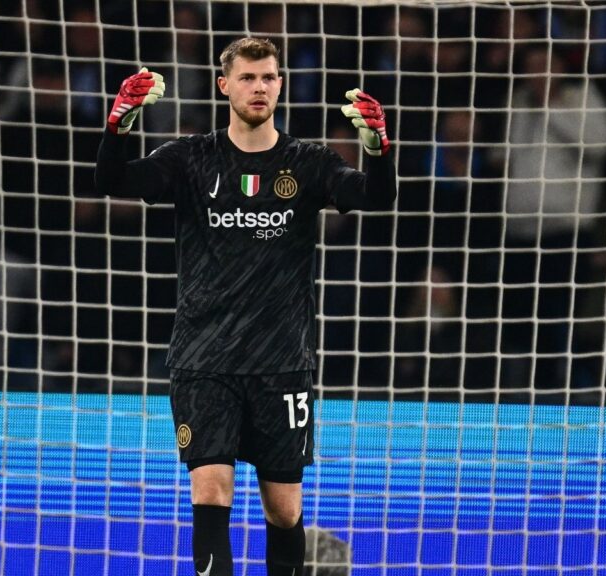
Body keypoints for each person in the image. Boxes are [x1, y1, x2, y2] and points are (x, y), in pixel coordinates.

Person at [91, 37, 396, 576]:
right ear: (224, 85)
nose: (260, 87)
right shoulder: (191, 157)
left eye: (269, 77)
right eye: (248, 77)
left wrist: (377, 151)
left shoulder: (308, 162)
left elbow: (376, 196)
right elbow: (112, 180)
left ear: (280, 85)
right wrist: (117, 130)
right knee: (211, 491)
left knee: (284, 509)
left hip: (281, 362)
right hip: (204, 359)